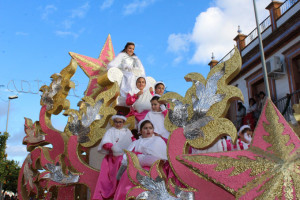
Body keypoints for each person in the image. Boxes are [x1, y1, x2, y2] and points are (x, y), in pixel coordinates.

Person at [114, 120, 167, 200]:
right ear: (140, 131)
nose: (148, 130)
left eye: (150, 128)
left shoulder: (158, 140)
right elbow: (126, 158)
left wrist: (138, 159)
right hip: (133, 168)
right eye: (145, 128)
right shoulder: (135, 142)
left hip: (152, 170)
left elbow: (156, 158)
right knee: (126, 174)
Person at [93, 113, 133, 200]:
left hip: (125, 159)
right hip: (112, 160)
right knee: (109, 179)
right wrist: (113, 147)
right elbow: (105, 143)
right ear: (114, 122)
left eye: (120, 122)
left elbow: (132, 142)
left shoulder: (127, 132)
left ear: (123, 122)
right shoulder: (110, 131)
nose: (118, 124)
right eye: (116, 122)